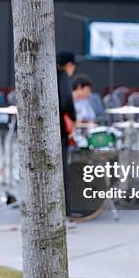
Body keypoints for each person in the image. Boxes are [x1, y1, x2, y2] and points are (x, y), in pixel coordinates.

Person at [56, 51, 77, 218]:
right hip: (60, 129)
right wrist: (74, 118)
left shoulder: (46, 73)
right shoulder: (62, 76)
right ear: (69, 65)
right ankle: (67, 209)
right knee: (63, 171)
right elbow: (67, 101)